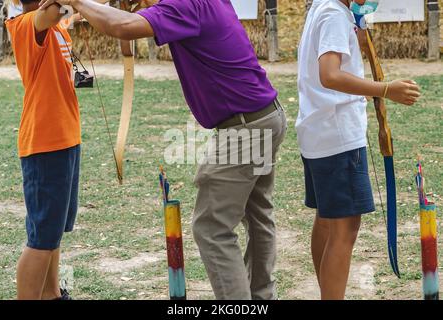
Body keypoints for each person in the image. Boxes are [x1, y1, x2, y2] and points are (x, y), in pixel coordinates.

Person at [39, 0, 287, 299]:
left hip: (244, 129)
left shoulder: (186, 4)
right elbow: (127, 21)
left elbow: (123, 26)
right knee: (258, 216)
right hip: (264, 118)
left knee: (211, 228)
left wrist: (77, 1)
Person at [296, 0, 420, 299]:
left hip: (320, 132)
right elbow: (330, 74)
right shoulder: (334, 15)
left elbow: (341, 56)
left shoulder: (325, 8)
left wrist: (360, 27)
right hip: (337, 136)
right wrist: (387, 89)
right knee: (345, 229)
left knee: (328, 221)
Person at [5, 0, 81, 300]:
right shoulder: (26, 24)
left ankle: (51, 295)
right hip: (45, 142)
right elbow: (57, 10)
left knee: (53, 231)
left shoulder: (58, 26)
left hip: (65, 139)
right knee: (41, 239)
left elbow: (74, 9)